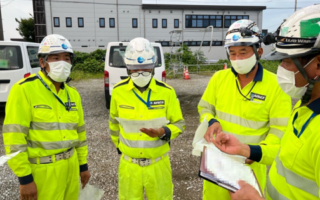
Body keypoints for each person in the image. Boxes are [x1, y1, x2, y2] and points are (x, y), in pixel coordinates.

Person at [211, 4, 320, 200]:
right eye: (233, 53)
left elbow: (277, 136)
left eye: (287, 61)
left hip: (251, 172)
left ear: (318, 65)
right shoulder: (304, 109)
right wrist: (246, 149)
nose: (282, 69)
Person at [198, 19, 292, 200]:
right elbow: (204, 107)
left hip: (250, 165)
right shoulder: (219, 78)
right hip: (216, 164)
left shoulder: (276, 85)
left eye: (243, 52)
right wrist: (211, 121)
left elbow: (280, 131)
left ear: (259, 51)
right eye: (232, 53)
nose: (237, 59)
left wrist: (253, 152)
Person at [2, 34, 90, 200]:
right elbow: (14, 137)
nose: (62, 63)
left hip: (71, 167)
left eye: (66, 58)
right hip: (43, 171)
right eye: (55, 58)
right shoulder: (23, 90)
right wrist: (25, 178)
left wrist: (82, 165)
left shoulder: (73, 94)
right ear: (42, 62)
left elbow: (80, 133)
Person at [109, 37, 185, 200]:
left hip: (158, 165)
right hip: (129, 166)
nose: (140, 72)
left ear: (153, 67)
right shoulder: (118, 91)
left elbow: (179, 124)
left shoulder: (167, 92)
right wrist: (120, 146)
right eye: (135, 68)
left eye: (145, 68)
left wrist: (163, 131)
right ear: (128, 67)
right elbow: (114, 123)